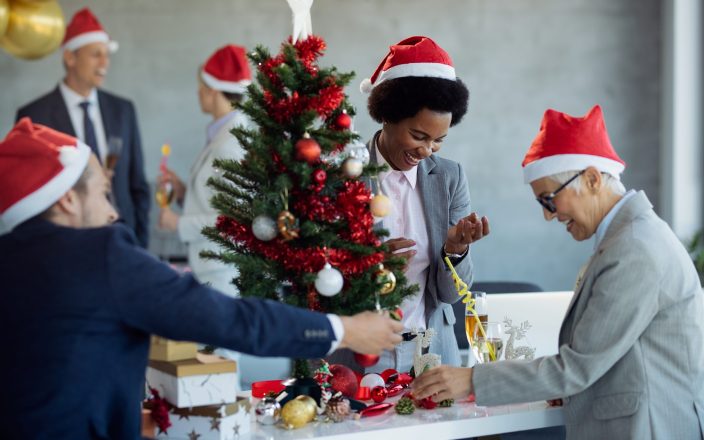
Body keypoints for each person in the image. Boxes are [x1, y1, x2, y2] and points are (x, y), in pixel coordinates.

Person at [0, 118, 403, 439]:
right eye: (104, 194)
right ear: (67, 199)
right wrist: (344, 329)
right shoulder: (100, 253)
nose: (111, 213)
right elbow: (232, 320)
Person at [412, 105, 704, 439]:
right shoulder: (631, 238)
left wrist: (472, 379)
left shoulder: (635, 248)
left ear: (593, 179)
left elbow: (577, 367)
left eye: (549, 200)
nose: (549, 216)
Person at [339, 36, 490, 373]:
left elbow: (452, 295)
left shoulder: (449, 177)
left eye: (438, 140)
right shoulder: (342, 177)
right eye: (419, 136)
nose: (427, 151)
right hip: (359, 357)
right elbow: (316, 281)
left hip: (433, 351)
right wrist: (372, 266)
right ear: (387, 116)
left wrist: (455, 250)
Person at [16, 7, 150, 248]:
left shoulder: (123, 110)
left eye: (107, 54)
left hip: (123, 241)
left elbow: (138, 184)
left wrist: (140, 243)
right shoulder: (34, 115)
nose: (105, 63)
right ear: (70, 57)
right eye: (96, 54)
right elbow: (28, 191)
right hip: (63, 245)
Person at [158, 44, 251, 298]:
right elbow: (217, 199)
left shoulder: (232, 143)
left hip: (222, 274)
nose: (198, 92)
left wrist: (178, 223)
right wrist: (182, 193)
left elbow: (235, 221)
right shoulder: (224, 134)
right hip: (214, 270)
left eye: (201, 85)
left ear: (212, 90)